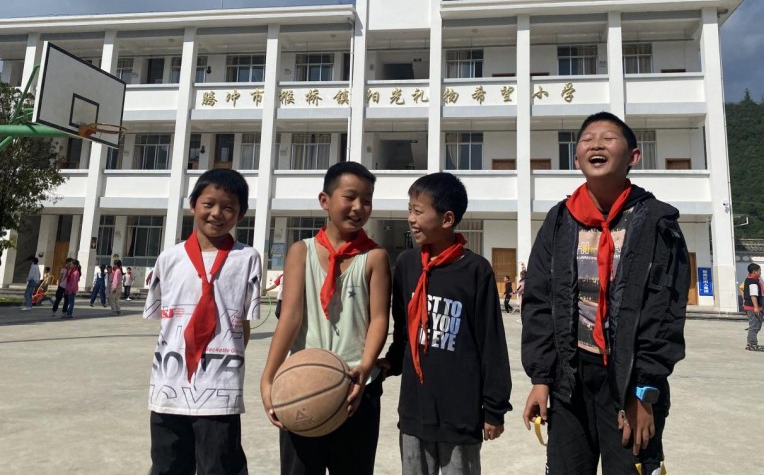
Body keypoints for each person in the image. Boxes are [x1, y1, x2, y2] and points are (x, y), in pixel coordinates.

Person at [521, 112, 690, 475]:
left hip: (630, 382)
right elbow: (539, 301)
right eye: (587, 139)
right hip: (571, 380)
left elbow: (665, 314)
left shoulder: (657, 223)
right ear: (576, 159)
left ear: (633, 156)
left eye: (608, 138)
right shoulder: (559, 220)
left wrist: (644, 391)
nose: (596, 143)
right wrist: (541, 378)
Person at [260, 161, 391, 475]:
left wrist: (365, 366)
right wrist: (269, 377)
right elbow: (290, 317)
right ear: (325, 200)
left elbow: (379, 319)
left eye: (367, 200)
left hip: (358, 388)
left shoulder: (375, 257)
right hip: (304, 385)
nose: (359, 207)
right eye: (350, 197)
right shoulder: (300, 252)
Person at [379, 171, 512, 475]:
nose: (411, 219)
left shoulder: (476, 270)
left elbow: (491, 344)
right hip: (414, 409)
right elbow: (403, 329)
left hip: (459, 413)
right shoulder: (407, 265)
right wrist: (392, 361)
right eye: (409, 210)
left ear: (447, 219)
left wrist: (494, 408)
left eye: (418, 211)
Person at [143, 168, 262, 475]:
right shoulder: (168, 259)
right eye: (208, 204)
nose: (217, 213)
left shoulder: (248, 259)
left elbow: (243, 324)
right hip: (169, 388)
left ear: (241, 214)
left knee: (220, 466)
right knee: (168, 465)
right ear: (192, 205)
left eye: (228, 207)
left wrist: (224, 363)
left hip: (219, 390)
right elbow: (164, 323)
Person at [743, 263, 764, 351]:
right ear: (754, 272)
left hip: (749, 306)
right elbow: (753, 295)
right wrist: (756, 307)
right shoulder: (753, 282)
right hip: (752, 307)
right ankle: (752, 344)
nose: (760, 272)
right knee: (755, 326)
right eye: (759, 270)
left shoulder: (748, 279)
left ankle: (750, 343)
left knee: (755, 325)